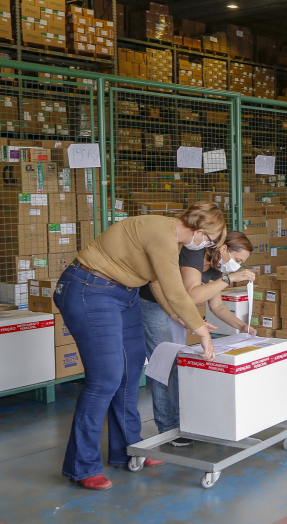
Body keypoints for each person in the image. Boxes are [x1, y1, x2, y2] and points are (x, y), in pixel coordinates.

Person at [53, 203, 227, 491]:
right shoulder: (161, 233)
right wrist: (200, 330)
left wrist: (174, 314)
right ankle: (82, 466)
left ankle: (127, 450)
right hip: (90, 290)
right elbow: (174, 288)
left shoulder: (169, 236)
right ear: (198, 232)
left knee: (131, 370)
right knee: (105, 378)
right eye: (208, 241)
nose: (205, 247)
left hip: (124, 293)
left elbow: (157, 282)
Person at [140, 231, 258, 447]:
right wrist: (229, 278)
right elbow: (192, 295)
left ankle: (178, 421)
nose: (238, 266)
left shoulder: (217, 267)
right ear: (224, 249)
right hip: (154, 305)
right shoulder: (194, 253)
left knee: (176, 362)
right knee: (165, 363)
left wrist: (242, 326)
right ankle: (168, 428)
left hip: (178, 310)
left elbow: (217, 306)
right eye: (238, 260)